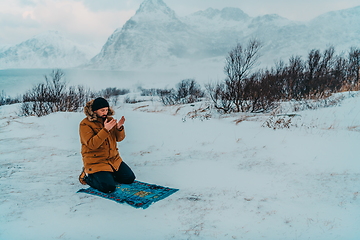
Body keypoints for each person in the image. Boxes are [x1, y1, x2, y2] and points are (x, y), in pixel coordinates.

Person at [78, 97, 135, 193]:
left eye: (107, 110)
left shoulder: (109, 120)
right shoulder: (85, 124)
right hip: (96, 161)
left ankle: (108, 175)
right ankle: (87, 177)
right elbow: (92, 145)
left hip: (113, 159)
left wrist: (119, 128)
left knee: (129, 179)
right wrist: (105, 130)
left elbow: (119, 139)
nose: (105, 112)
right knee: (109, 187)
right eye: (102, 110)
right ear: (95, 111)